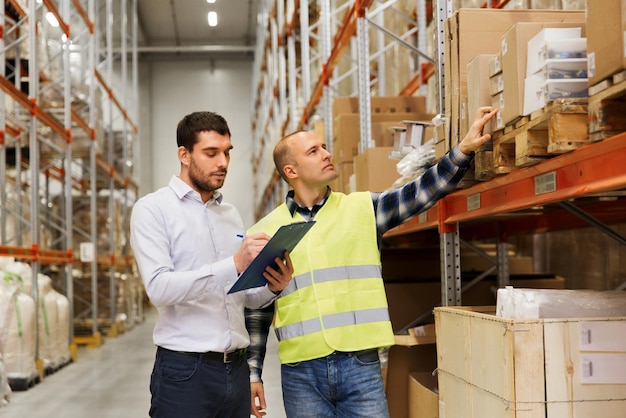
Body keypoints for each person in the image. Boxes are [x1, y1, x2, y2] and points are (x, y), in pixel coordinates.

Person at [245, 106, 499, 418]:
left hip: (360, 366)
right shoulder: (265, 231)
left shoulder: (363, 208)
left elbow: (420, 192)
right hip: (301, 373)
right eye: (314, 151)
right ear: (291, 171)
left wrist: (462, 150)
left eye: (324, 147)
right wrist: (253, 373)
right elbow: (256, 309)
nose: (326, 154)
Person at [130, 111, 294, 418]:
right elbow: (159, 289)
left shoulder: (229, 214)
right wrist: (234, 263)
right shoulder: (153, 210)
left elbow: (241, 294)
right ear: (184, 154)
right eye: (211, 153)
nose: (223, 163)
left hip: (236, 369)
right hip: (185, 372)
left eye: (227, 152)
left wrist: (273, 285)